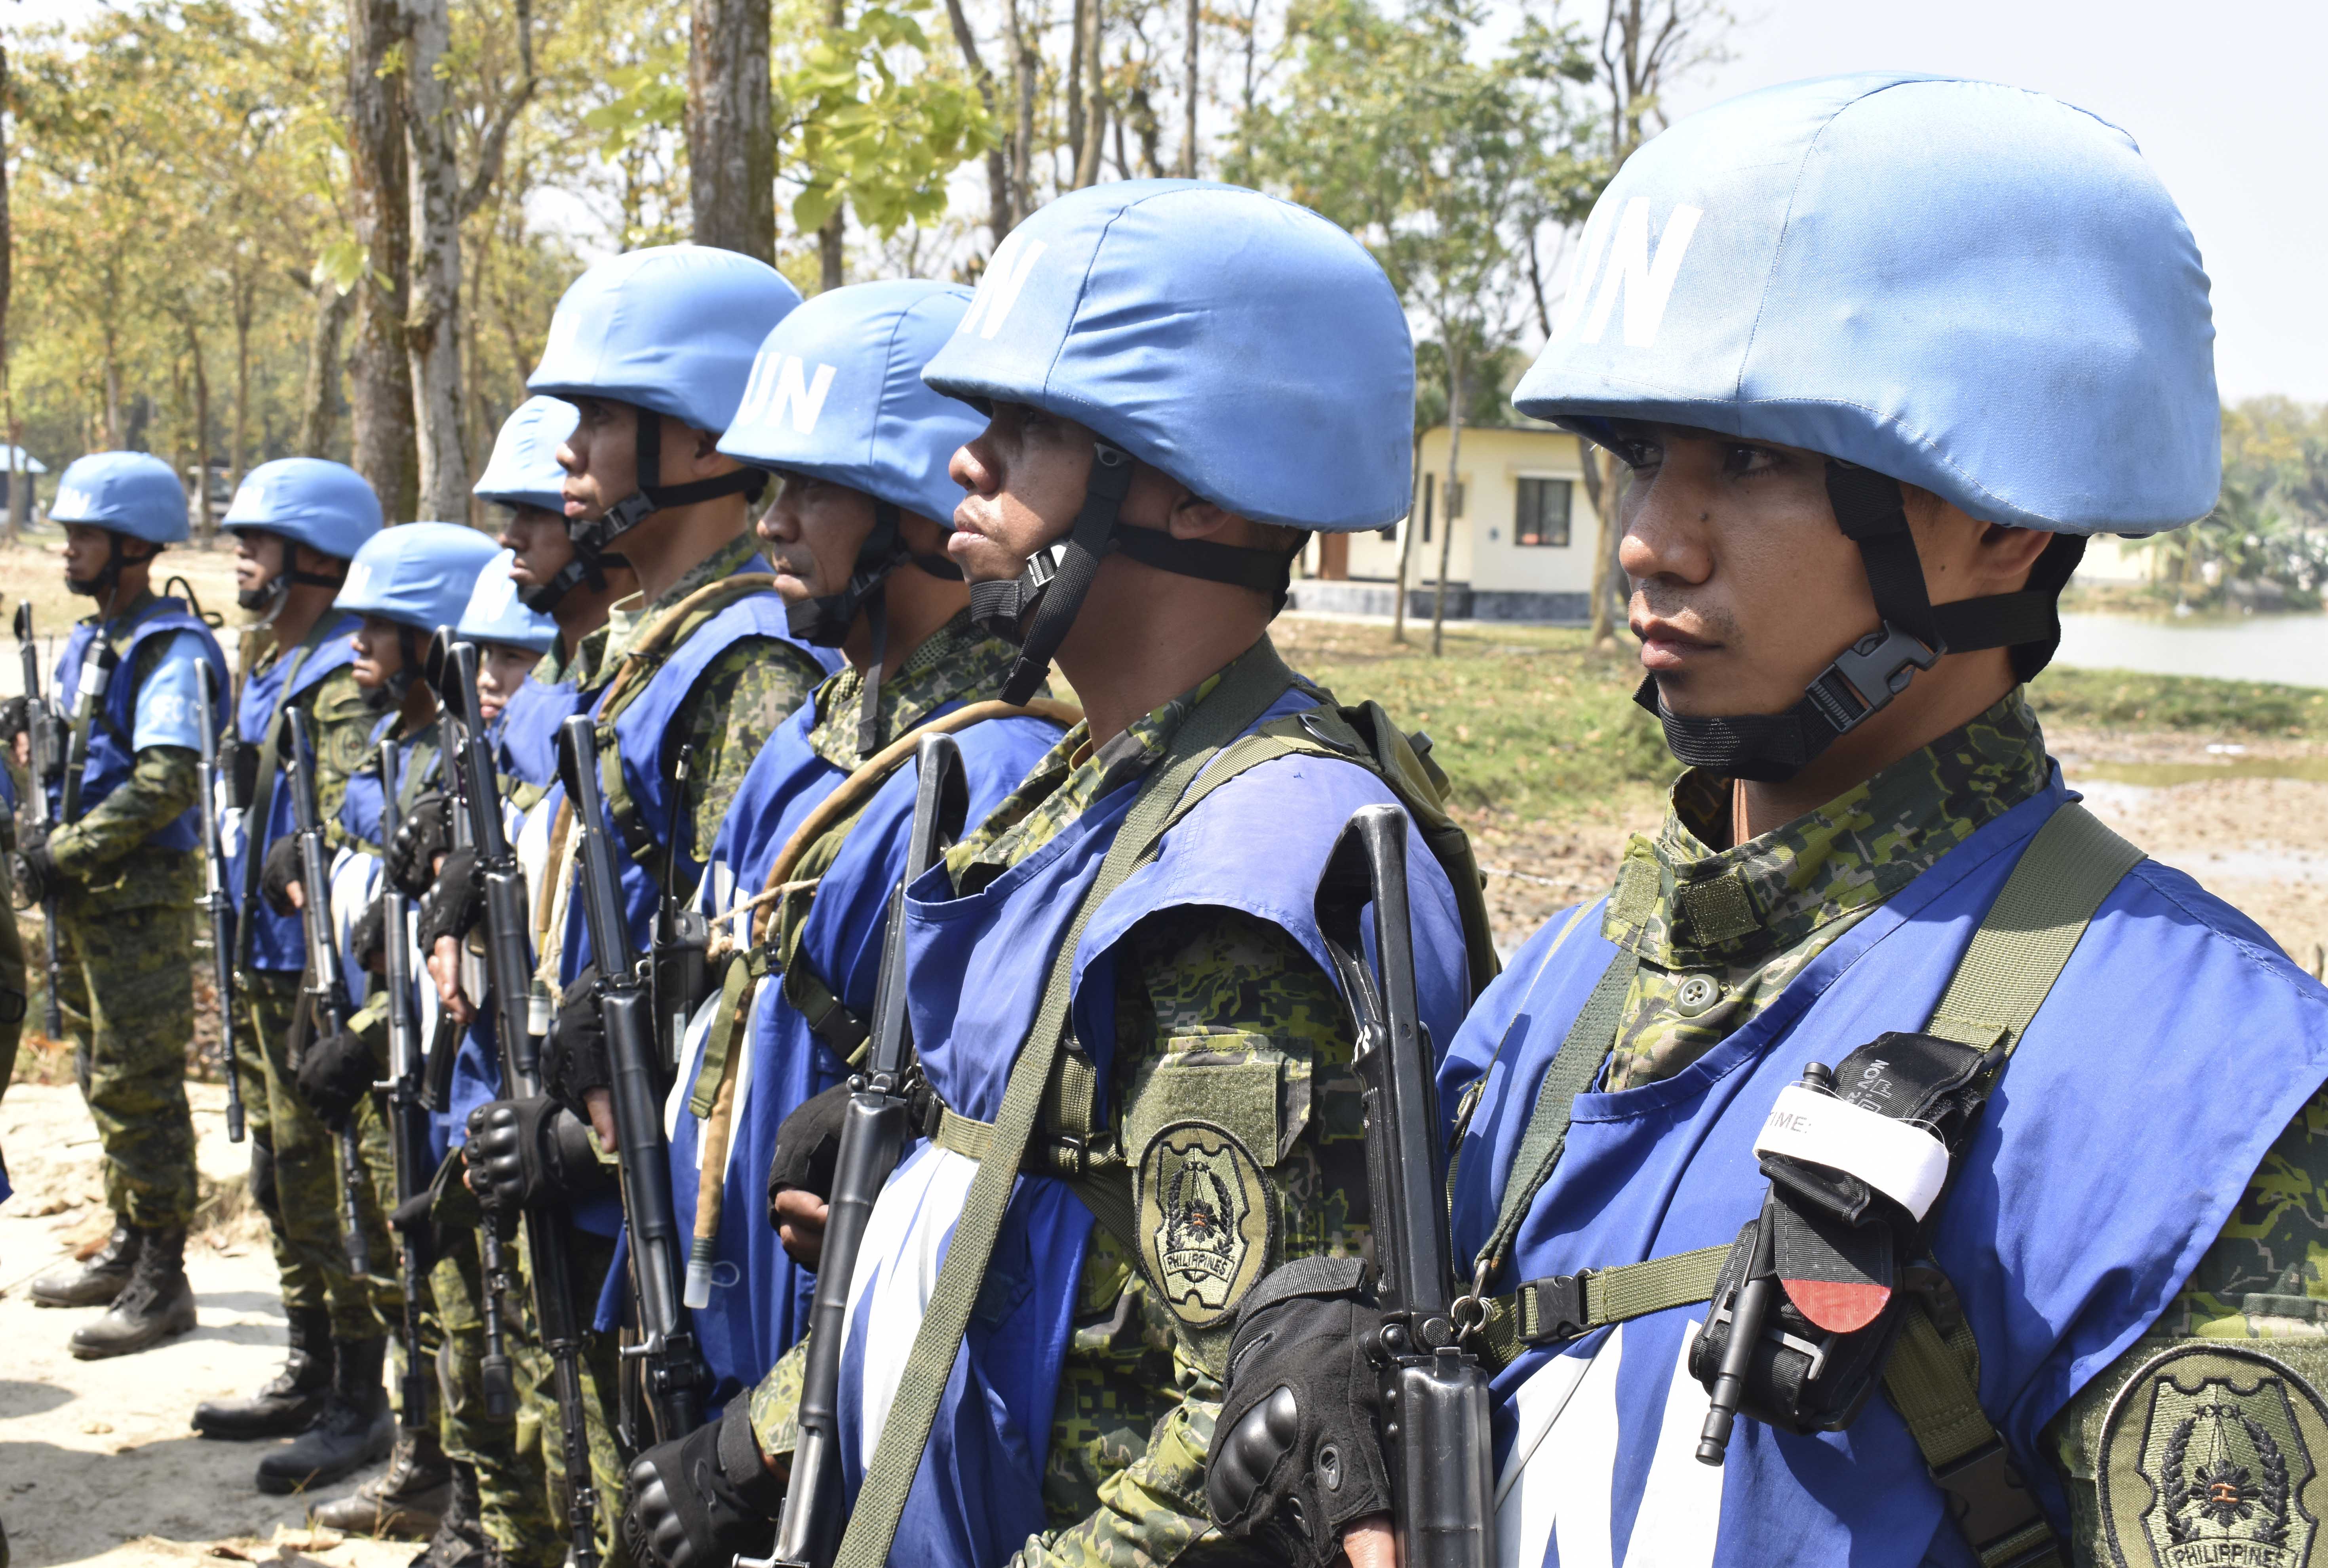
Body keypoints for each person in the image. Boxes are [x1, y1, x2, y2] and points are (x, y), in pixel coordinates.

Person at [1203, 74, 2328, 1568]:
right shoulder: (1557, 997)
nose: (1654, 539)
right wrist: (1314, 1351)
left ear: (2000, 520)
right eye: (1645, 458)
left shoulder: (2203, 1092)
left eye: (1751, 461)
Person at [622, 180, 1496, 1568]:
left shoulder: (1241, 878)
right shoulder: (1081, 792)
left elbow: (1237, 1443)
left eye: (1029, 431)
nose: (965, 464)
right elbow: (1007, 1225)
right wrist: (777, 1421)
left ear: (1201, 491)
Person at [544, 279, 1067, 1433]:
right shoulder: (810, 733)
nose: (771, 518)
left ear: (921, 510)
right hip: (714, 1299)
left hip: (830, 1365)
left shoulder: (998, 772)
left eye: (815, 489)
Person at [466, 242, 837, 1568]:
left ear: (702, 437)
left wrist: (591, 1142)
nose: (569, 457)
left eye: (604, 420)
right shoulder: (656, 648)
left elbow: (752, 975)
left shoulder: (751, 673)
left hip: (690, 1217)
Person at [255, 520, 501, 1499]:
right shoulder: (393, 744)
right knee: (396, 1279)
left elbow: (456, 945)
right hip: (370, 1030)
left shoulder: (458, 757)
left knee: (451, 1297)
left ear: (431, 641)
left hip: (424, 1056)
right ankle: (417, 1452)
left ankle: (454, 1482)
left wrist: (359, 1040)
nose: (354, 642)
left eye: (379, 626)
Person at [191, 459, 387, 1458]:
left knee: (324, 1179)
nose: (238, 559)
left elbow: (355, 825)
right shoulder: (268, 662)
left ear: (313, 556)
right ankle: (310, 1361)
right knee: (278, 1174)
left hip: (309, 973)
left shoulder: (339, 676)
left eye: (255, 543)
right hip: (256, 962)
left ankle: (359, 1393)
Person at [17, 451, 229, 1359]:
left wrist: (65, 849)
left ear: (134, 546)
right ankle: (130, 1239)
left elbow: (167, 778)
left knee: (140, 1084)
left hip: (136, 904)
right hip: (92, 901)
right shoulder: (94, 640)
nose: (68, 551)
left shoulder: (169, 648)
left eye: (85, 536)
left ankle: (163, 1275)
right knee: (101, 1076)